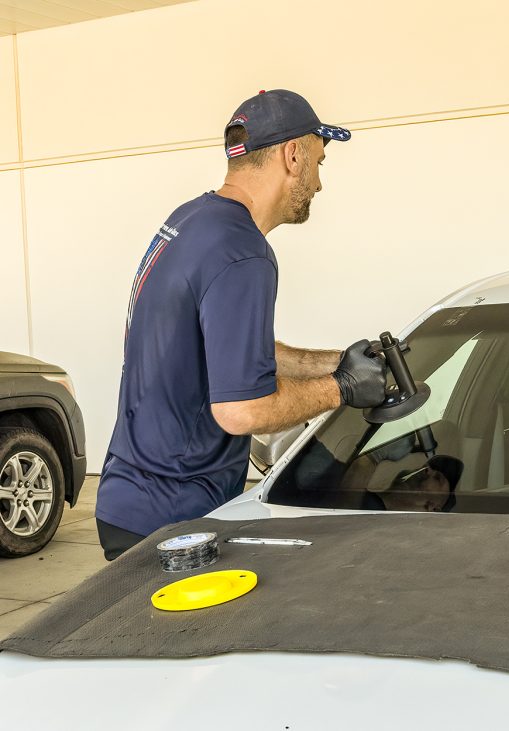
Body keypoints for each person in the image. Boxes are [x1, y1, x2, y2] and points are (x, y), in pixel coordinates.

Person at [95, 89, 386, 560]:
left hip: (129, 500)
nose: (318, 184)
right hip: (175, 520)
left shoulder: (192, 220)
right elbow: (241, 411)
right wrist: (342, 389)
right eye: (319, 162)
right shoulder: (244, 252)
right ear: (293, 155)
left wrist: (338, 362)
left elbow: (232, 351)